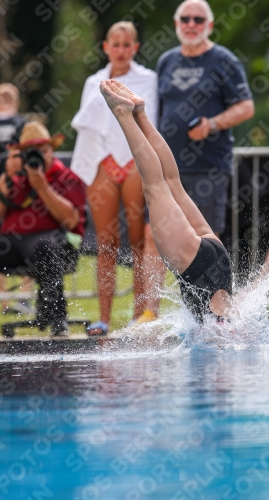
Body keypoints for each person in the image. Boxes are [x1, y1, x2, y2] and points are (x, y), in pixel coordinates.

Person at [99, 80, 233, 323]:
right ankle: (124, 114)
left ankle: (140, 114)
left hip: (219, 260)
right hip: (195, 264)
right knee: (155, 186)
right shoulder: (221, 331)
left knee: (172, 183)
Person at [71, 21, 160, 335]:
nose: (121, 50)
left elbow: (147, 121)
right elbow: (90, 130)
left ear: (135, 47)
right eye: (116, 44)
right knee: (106, 243)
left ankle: (139, 315)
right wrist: (108, 161)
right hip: (102, 166)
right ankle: (104, 319)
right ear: (106, 47)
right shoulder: (94, 81)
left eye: (127, 44)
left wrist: (131, 159)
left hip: (135, 163)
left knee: (137, 241)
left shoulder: (148, 79)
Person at [156, 0, 254, 239]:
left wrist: (212, 124)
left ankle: (208, 279)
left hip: (207, 167)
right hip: (166, 168)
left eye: (198, 19)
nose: (191, 24)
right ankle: (166, 280)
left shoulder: (224, 60)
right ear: (176, 23)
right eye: (185, 19)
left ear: (209, 24)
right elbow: (158, 110)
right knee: (159, 235)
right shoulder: (166, 61)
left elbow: (246, 106)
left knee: (204, 237)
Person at [0, 121, 86, 337]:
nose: (38, 157)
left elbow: (72, 222)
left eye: (43, 150)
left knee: (45, 246)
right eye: (29, 152)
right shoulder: (13, 178)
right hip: (13, 244)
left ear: (52, 150)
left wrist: (42, 186)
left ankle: (57, 319)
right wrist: (7, 175)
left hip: (54, 244)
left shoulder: (66, 178)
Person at [0, 83, 33, 314]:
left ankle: (7, 300)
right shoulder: (23, 125)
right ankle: (20, 298)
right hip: (17, 194)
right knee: (28, 239)